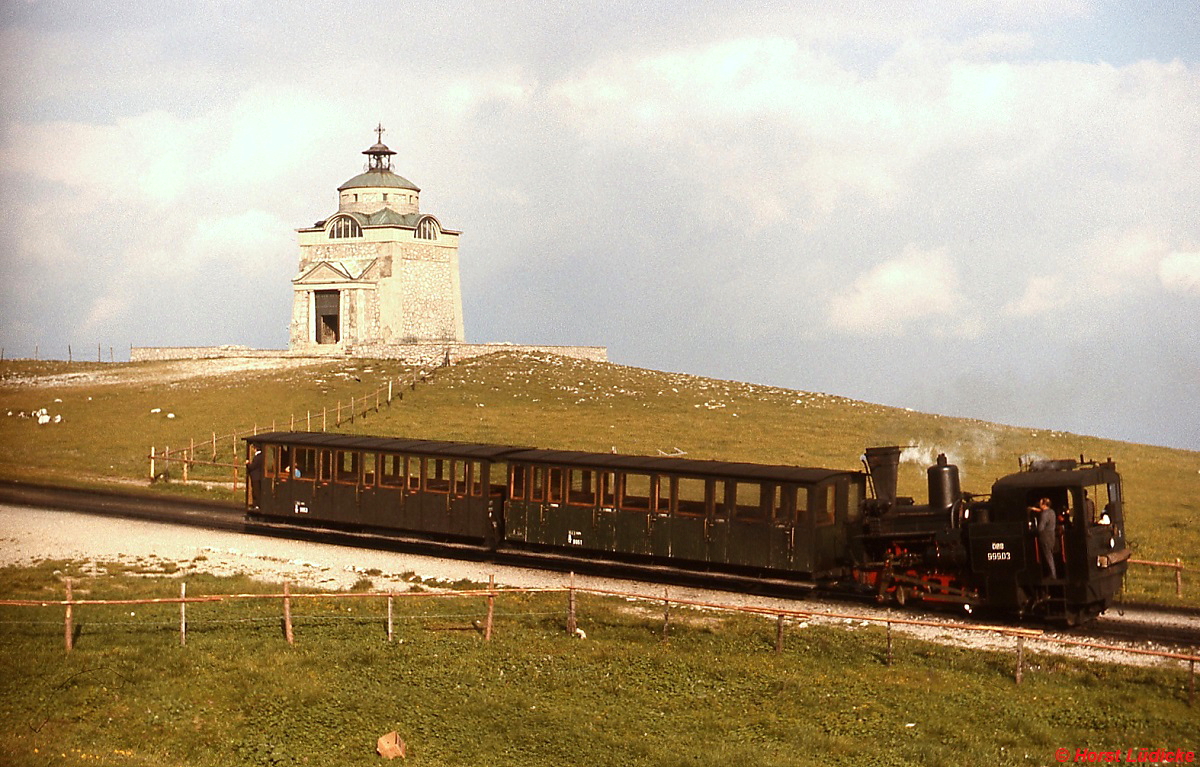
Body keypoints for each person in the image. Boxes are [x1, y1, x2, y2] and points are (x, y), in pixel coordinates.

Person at [1029, 497, 1058, 579]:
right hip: (1052, 536)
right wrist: (1034, 509)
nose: (1039, 504)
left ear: (1044, 504)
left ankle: (1052, 574)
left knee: (1048, 556)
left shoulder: (1044, 514)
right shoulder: (1052, 512)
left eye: (1041, 503)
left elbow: (1040, 528)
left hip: (1045, 537)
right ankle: (1052, 573)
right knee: (1050, 554)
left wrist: (1032, 530)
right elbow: (1043, 511)